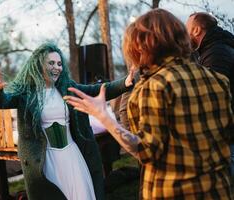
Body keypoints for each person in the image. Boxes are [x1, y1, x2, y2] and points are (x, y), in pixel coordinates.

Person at [64, 9, 233, 199]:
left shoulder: (154, 86)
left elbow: (145, 152)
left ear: (143, 46)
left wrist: (103, 115)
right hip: (218, 189)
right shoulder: (218, 79)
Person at [0, 42, 135, 200]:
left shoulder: (67, 88)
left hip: (72, 155)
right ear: (39, 65)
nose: (57, 67)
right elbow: (3, 102)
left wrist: (125, 83)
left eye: (60, 63)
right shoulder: (26, 93)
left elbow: (98, 90)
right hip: (47, 161)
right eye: (51, 63)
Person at [186, 12, 234, 175]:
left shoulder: (216, 53)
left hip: (228, 135)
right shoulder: (212, 49)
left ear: (197, 30)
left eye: (188, 30)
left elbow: (212, 96)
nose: (185, 35)